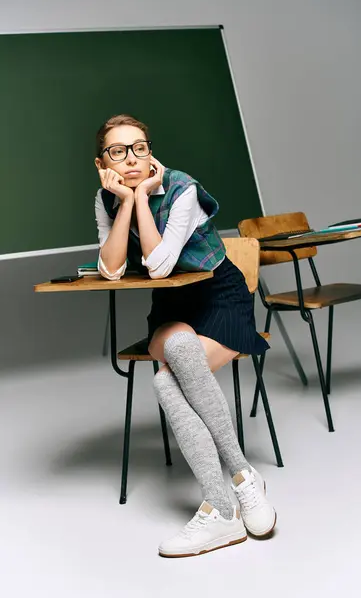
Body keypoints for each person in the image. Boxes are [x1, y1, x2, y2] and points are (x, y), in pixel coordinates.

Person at [94, 114, 277, 558]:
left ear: (150, 150)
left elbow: (158, 265)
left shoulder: (183, 190)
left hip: (221, 297)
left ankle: (222, 504)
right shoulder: (105, 198)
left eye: (139, 147)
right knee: (175, 347)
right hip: (174, 307)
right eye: (118, 151)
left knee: (165, 376)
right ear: (103, 162)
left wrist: (140, 201)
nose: (131, 158)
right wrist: (124, 200)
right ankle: (242, 480)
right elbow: (111, 269)